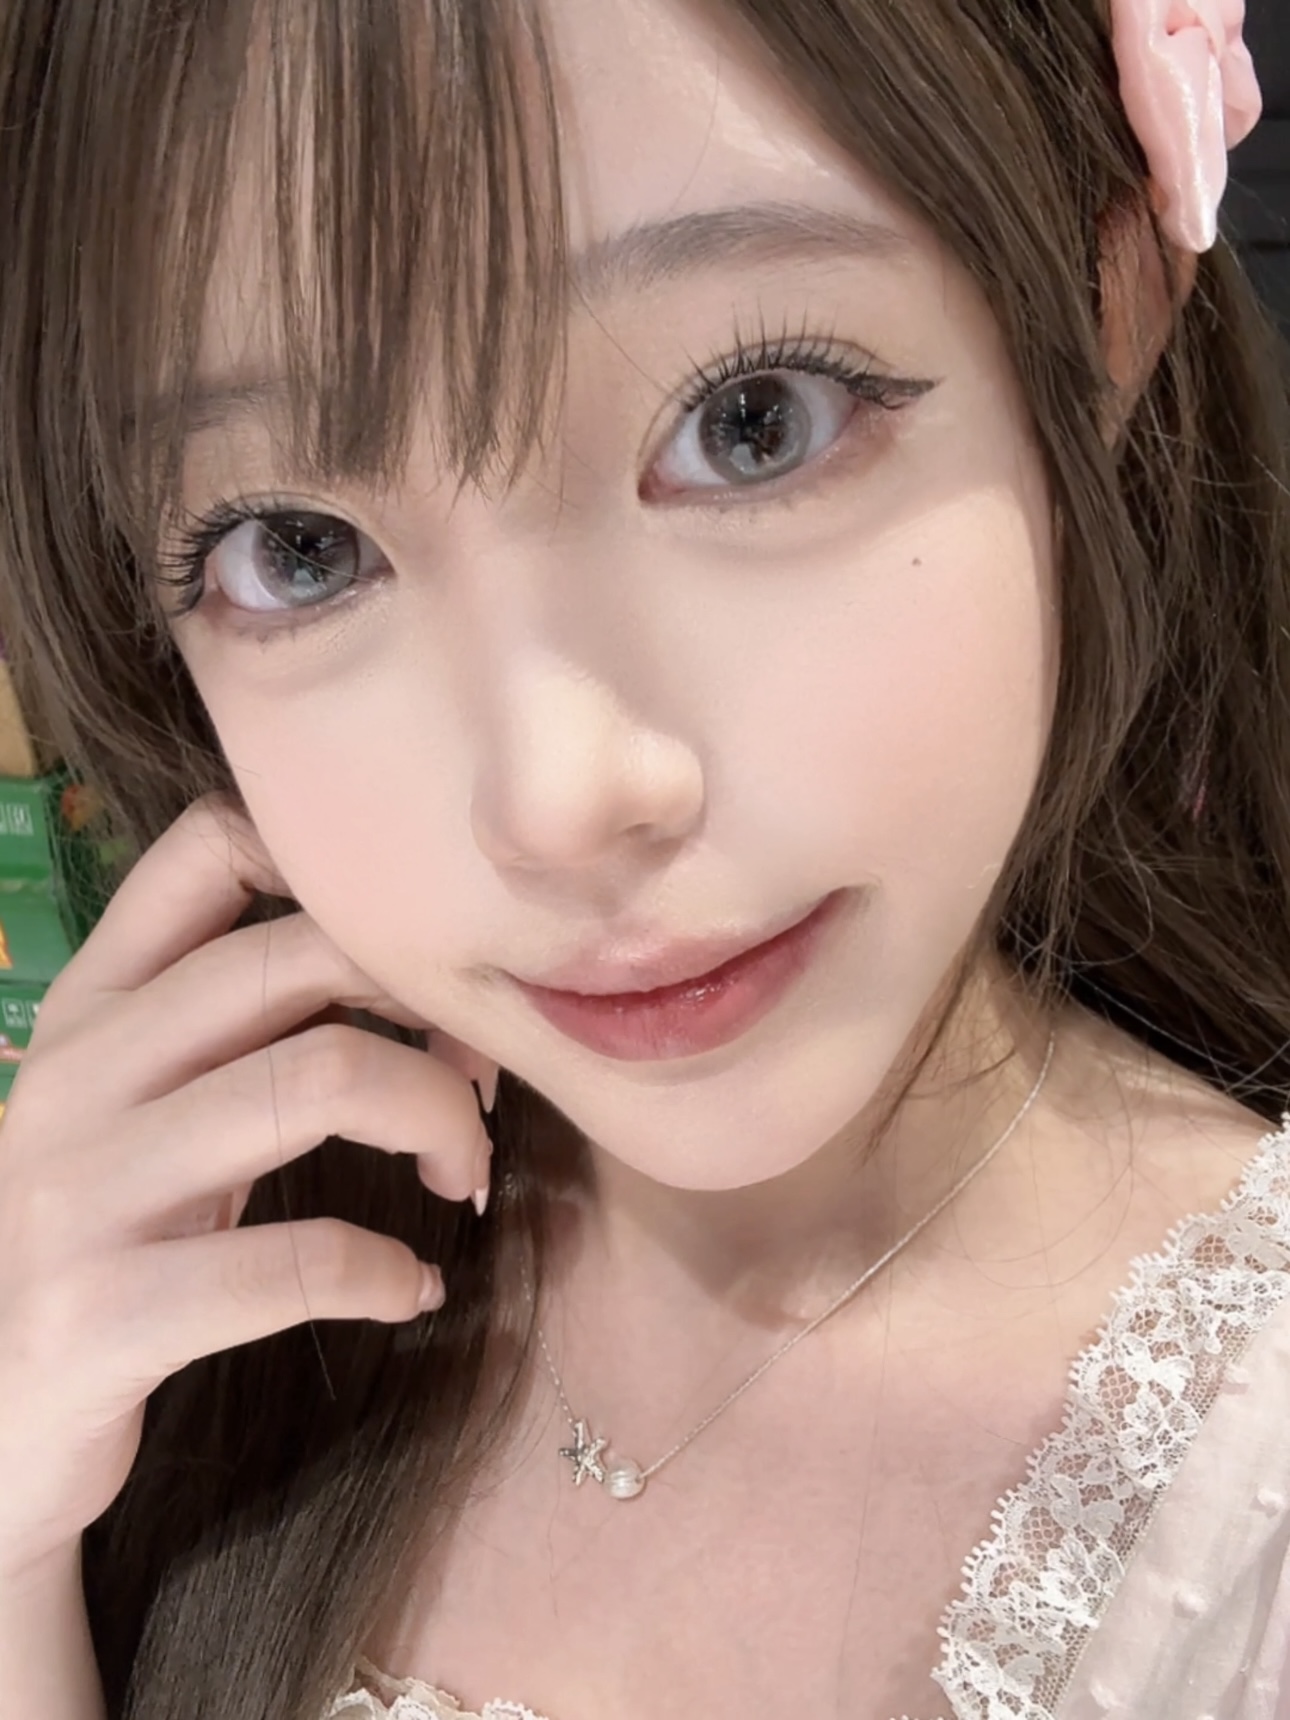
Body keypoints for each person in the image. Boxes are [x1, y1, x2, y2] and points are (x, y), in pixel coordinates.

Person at [0, 0, 1286, 1715]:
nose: (558, 796)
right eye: (298, 547)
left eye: (753, 419)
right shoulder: (184, 1317)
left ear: (1104, 319)